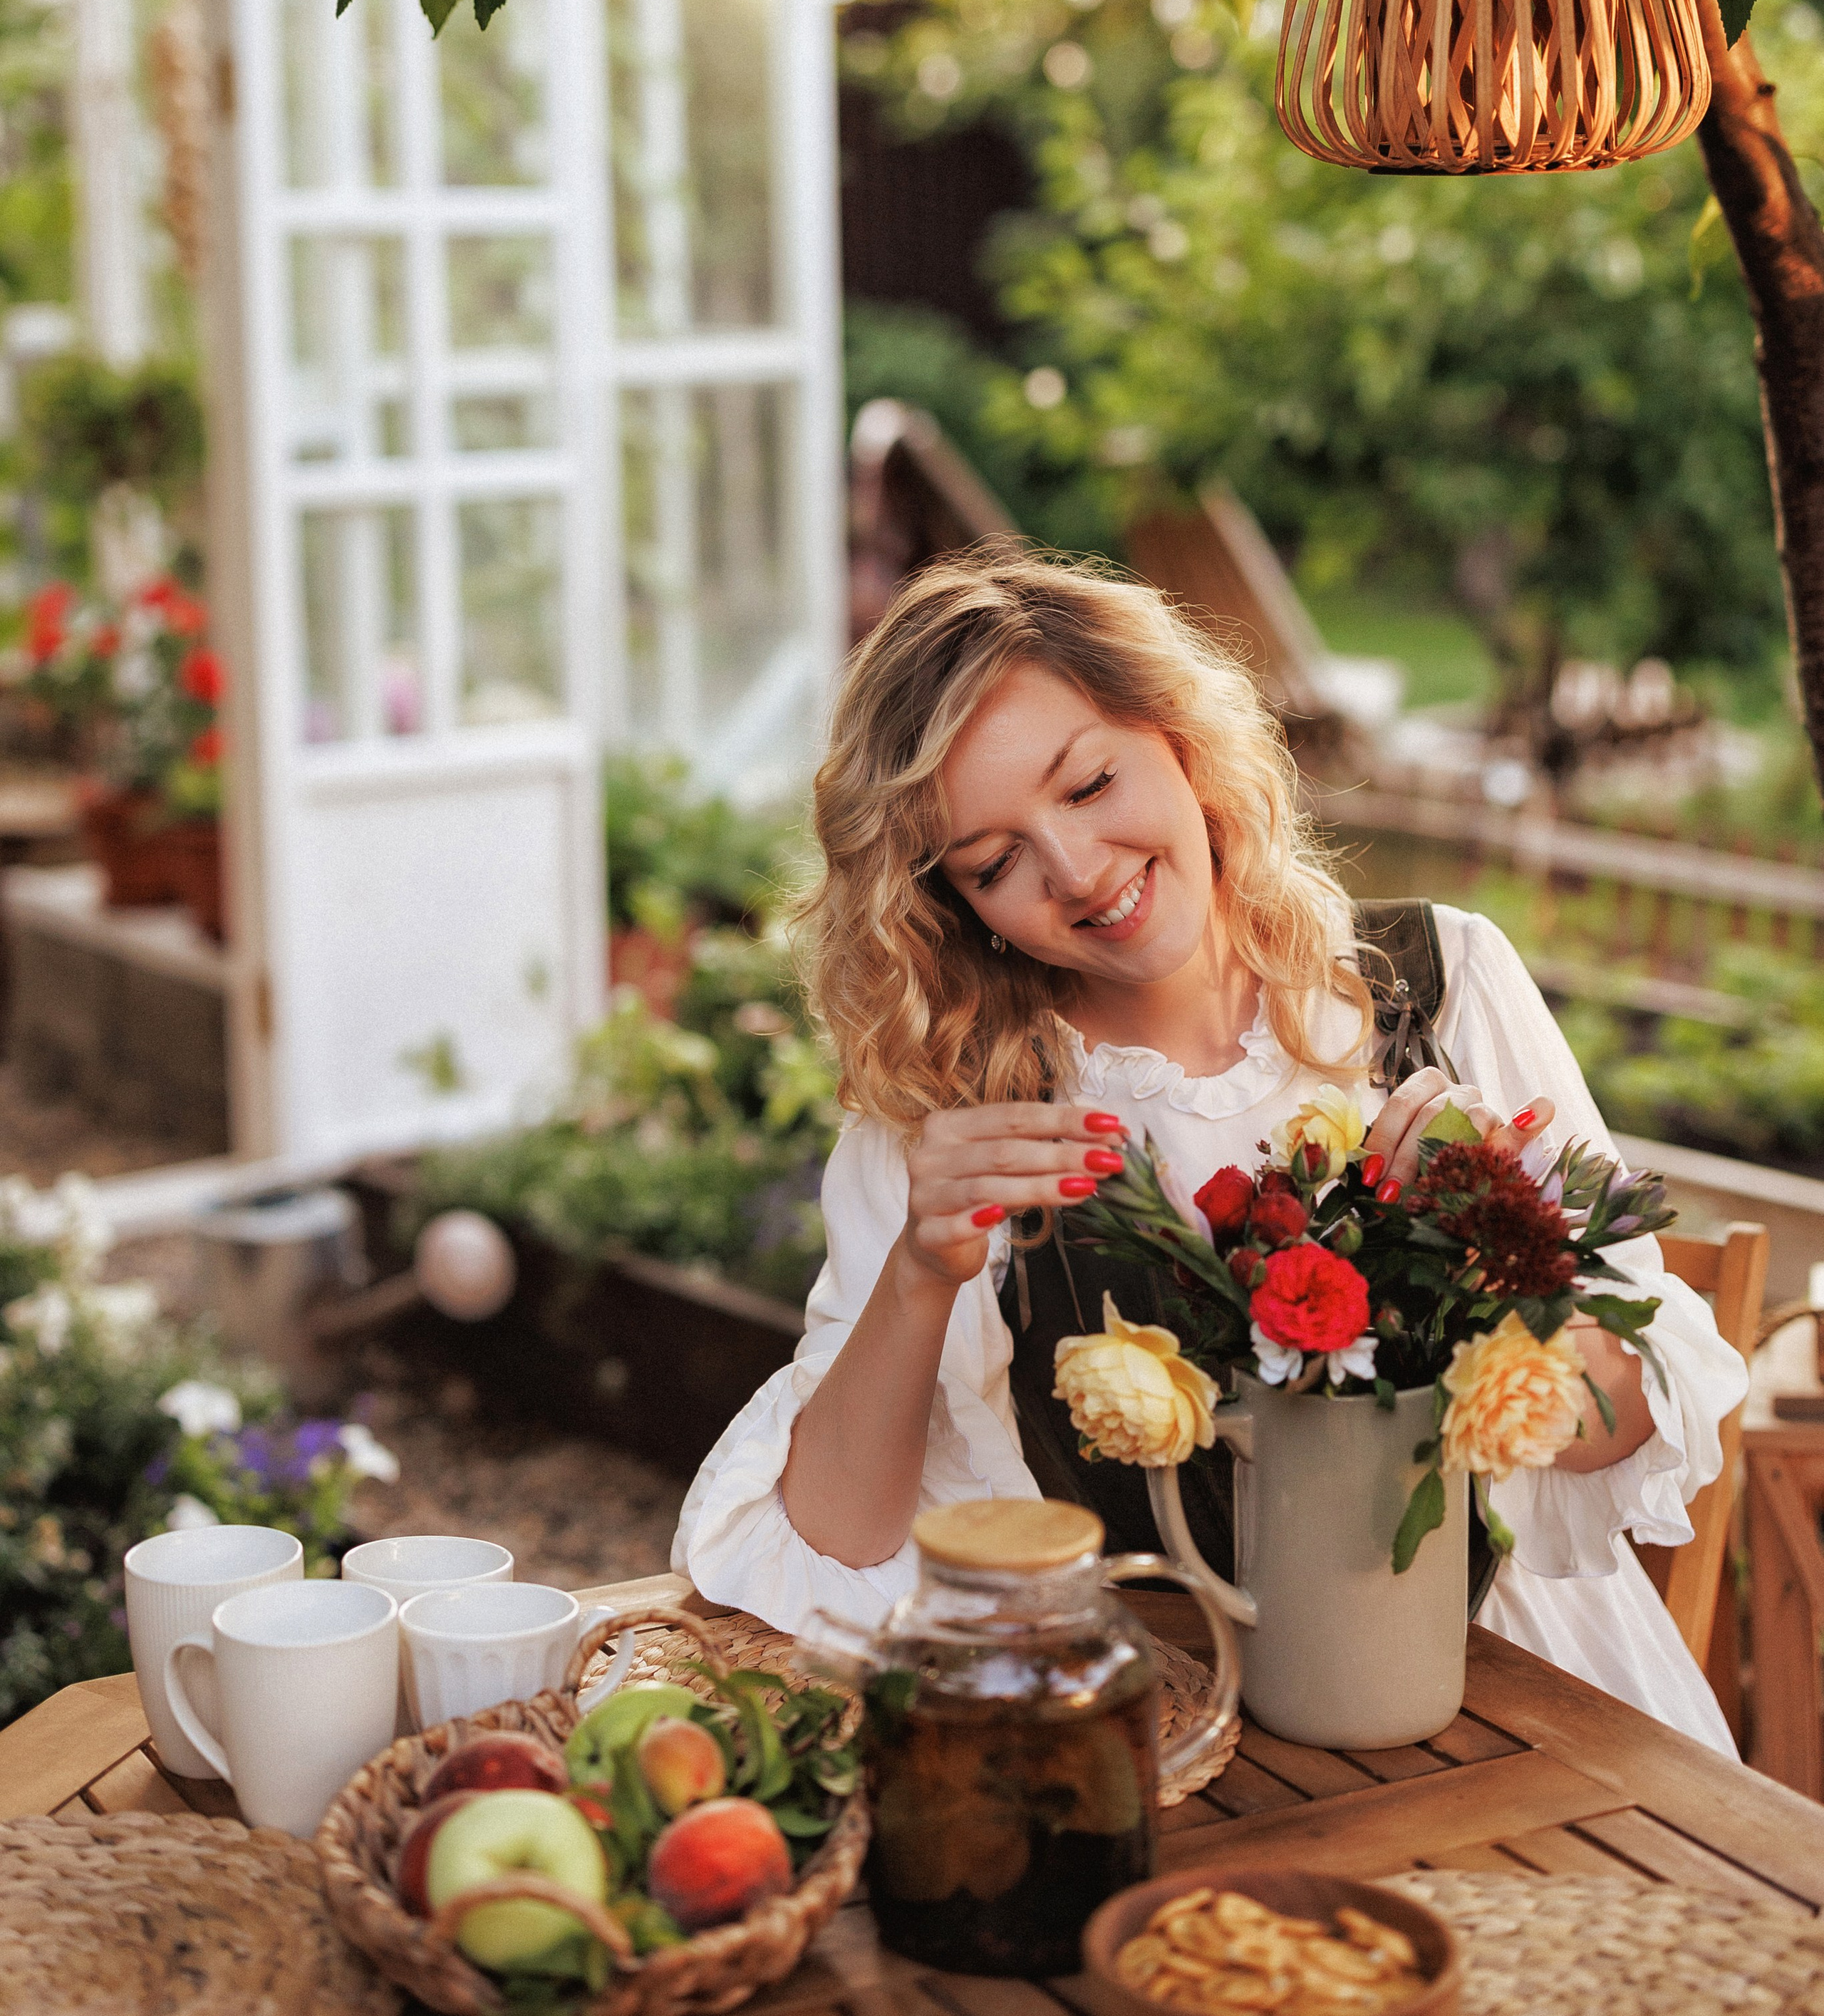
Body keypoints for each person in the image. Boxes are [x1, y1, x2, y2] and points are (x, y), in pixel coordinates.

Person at [673, 544, 1746, 1754]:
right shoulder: (955, 1121)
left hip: (1504, 1679)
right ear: (951, 904)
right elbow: (832, 1538)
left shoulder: (1443, 987)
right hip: (1174, 1740)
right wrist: (922, 1270)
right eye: (994, 860)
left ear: (1178, 735)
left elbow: (1639, 1412)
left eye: (1087, 785)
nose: (1075, 871)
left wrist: (1507, 1246)